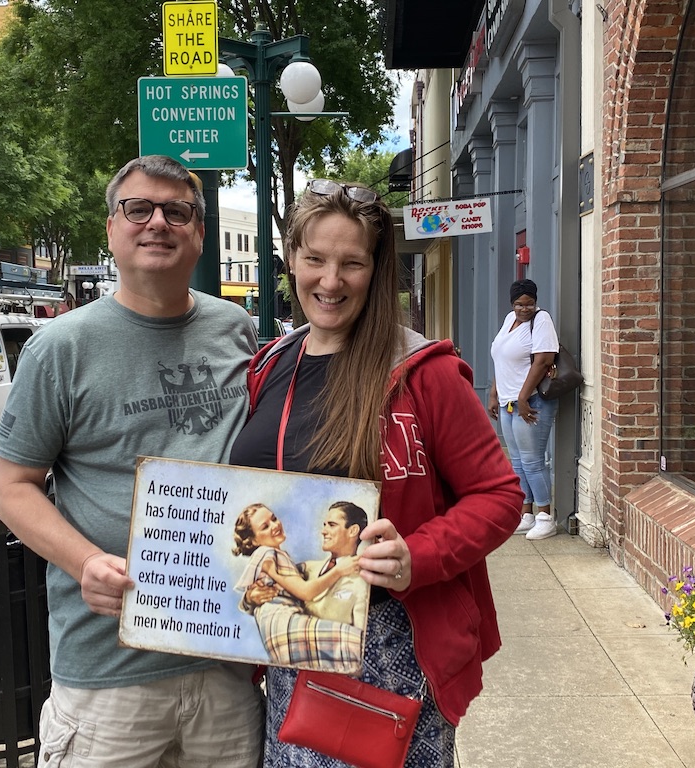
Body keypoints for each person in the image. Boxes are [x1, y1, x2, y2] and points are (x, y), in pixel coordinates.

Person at [229, 178, 524, 767]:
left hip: (391, 651)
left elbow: (499, 495)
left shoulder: (425, 372)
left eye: (351, 263)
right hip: (294, 650)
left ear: (376, 269)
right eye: (314, 259)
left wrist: (420, 554)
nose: (330, 281)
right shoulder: (269, 366)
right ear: (291, 259)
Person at [0, 155, 263, 768]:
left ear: (200, 232)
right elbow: (10, 486)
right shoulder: (59, 348)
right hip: (107, 670)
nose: (157, 222)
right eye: (137, 209)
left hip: (227, 657)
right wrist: (84, 562)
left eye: (177, 211)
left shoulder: (236, 328)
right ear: (111, 228)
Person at [232, 502, 363, 672]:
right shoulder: (268, 555)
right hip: (286, 628)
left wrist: (249, 598)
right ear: (254, 540)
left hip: (281, 639)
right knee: (355, 641)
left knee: (355, 645)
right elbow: (305, 591)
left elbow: (288, 580)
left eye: (274, 518)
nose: (275, 525)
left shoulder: (285, 561)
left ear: (353, 530)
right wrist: (338, 571)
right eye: (265, 526)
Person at [487, 279, 561, 540]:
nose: (524, 308)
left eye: (529, 303)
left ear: (535, 302)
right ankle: (526, 514)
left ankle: (545, 516)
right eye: (519, 304)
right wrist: (494, 392)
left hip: (531, 402)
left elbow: (543, 361)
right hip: (509, 402)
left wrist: (522, 397)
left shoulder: (541, 321)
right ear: (512, 303)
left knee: (532, 461)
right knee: (517, 461)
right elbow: (502, 357)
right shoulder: (509, 320)